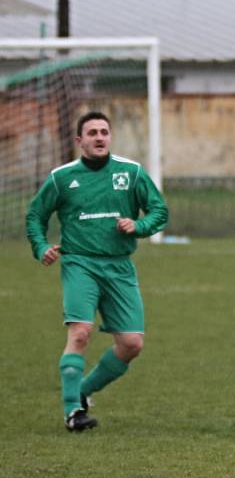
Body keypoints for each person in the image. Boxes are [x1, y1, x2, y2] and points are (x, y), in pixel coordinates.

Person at [26, 111, 169, 432]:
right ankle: (72, 413)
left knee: (132, 344)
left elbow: (159, 210)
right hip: (80, 263)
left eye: (104, 131)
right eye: (92, 133)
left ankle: (82, 392)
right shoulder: (62, 177)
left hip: (119, 266)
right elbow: (35, 214)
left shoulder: (130, 172)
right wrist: (40, 247)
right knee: (80, 333)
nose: (100, 137)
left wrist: (139, 225)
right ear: (80, 141)